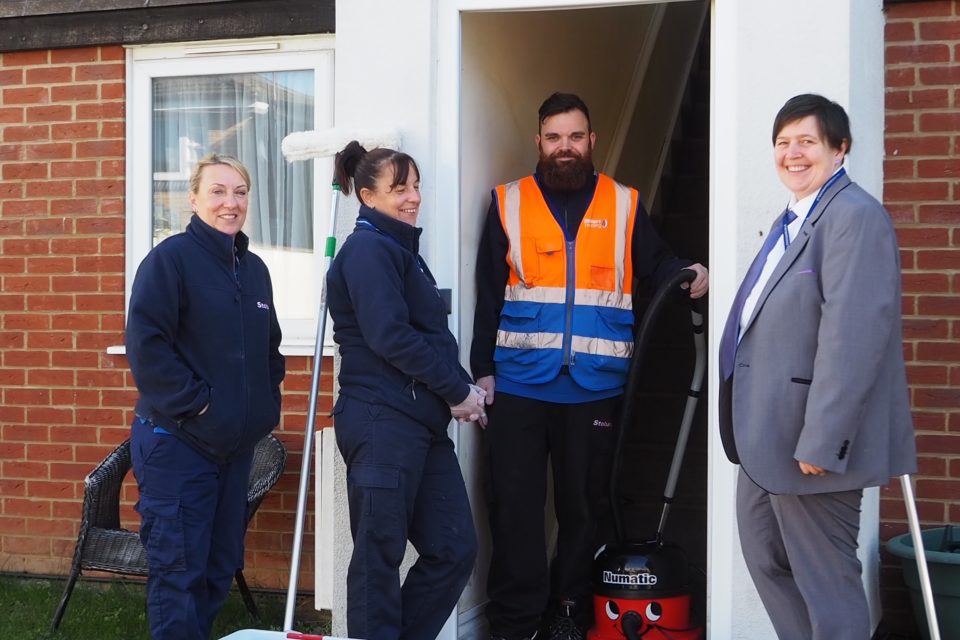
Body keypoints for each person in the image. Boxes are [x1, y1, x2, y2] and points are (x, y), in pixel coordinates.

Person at [471, 92, 709, 640]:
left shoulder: (624, 203)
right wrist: (482, 368)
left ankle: (569, 611)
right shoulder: (507, 202)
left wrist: (687, 270)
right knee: (515, 510)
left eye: (575, 137)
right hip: (519, 387)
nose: (565, 148)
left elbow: (657, 264)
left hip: (595, 389)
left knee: (585, 509)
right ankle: (516, 620)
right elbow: (488, 293)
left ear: (592, 141)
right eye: (554, 137)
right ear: (539, 142)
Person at [717, 94, 918, 640]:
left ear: (840, 149)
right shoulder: (795, 219)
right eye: (782, 142)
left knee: (826, 582)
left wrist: (822, 439)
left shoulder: (854, 217)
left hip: (810, 445)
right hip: (765, 438)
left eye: (807, 140)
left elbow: (852, 337)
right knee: (766, 558)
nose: (792, 153)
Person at [125, 153, 285, 639]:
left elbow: (270, 347)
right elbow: (146, 345)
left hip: (234, 451)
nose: (230, 203)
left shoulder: (254, 270)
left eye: (239, 193)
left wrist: (263, 404)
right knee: (179, 574)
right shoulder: (170, 260)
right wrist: (199, 404)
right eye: (217, 191)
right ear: (193, 199)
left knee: (218, 569)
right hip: (179, 443)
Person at [326, 141, 482, 640]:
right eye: (400, 189)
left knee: (454, 547)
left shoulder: (401, 252)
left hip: (419, 423)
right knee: (378, 558)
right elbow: (390, 335)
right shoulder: (367, 250)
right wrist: (458, 390)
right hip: (381, 422)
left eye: (416, 186)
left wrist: (459, 389)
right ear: (367, 197)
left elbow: (424, 336)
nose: (413, 197)